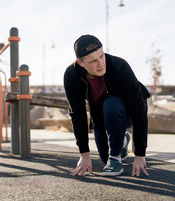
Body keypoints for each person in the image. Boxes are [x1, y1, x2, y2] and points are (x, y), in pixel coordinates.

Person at [64, 34, 150, 177]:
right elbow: (77, 114)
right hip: (101, 116)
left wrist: (140, 154)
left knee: (112, 103)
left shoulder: (119, 66)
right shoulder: (72, 75)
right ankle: (122, 140)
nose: (100, 64)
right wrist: (84, 154)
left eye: (101, 56)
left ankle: (116, 158)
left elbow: (139, 110)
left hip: (126, 111)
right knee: (105, 158)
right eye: (93, 61)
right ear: (81, 63)